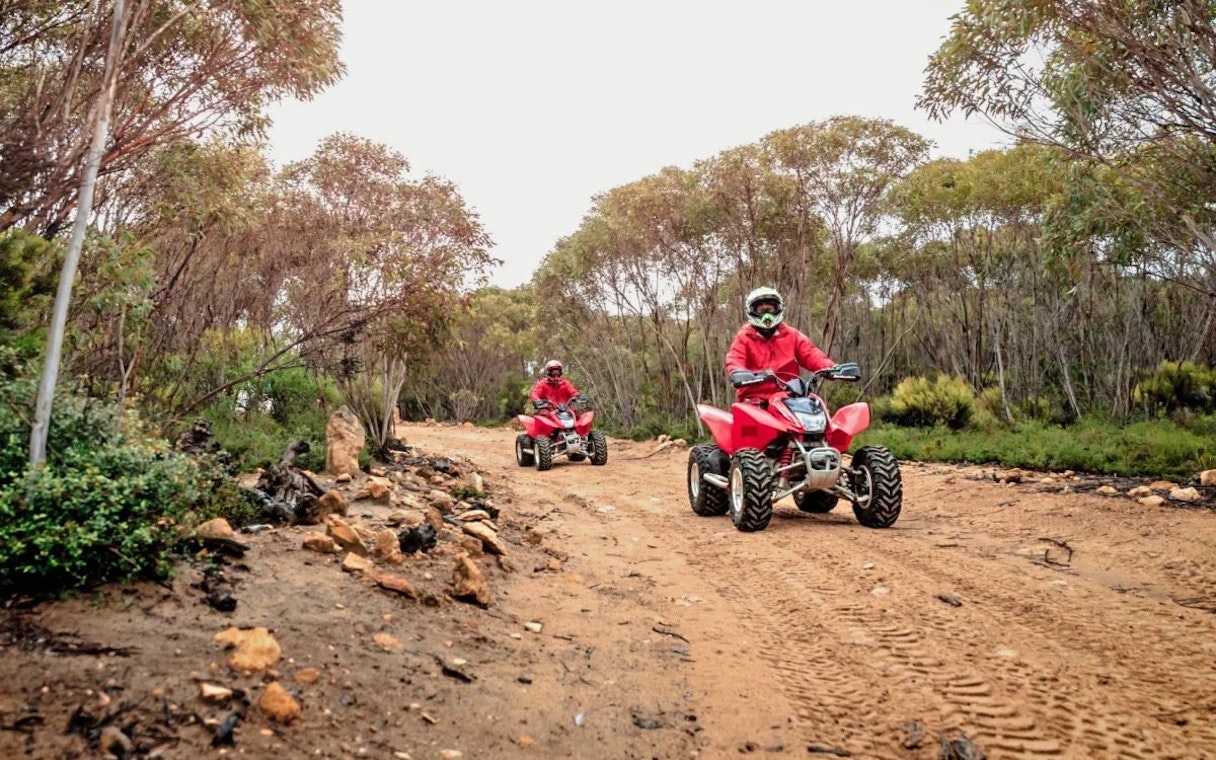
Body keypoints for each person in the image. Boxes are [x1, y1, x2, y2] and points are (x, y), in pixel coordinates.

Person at [725, 286, 835, 405]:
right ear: (751, 311)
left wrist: (831, 368)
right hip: (755, 400)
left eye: (770, 309)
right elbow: (735, 358)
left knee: (816, 414)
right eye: (761, 311)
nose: (766, 315)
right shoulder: (744, 337)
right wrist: (738, 373)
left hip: (790, 398)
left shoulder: (791, 334)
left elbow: (810, 353)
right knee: (748, 420)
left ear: (779, 308)